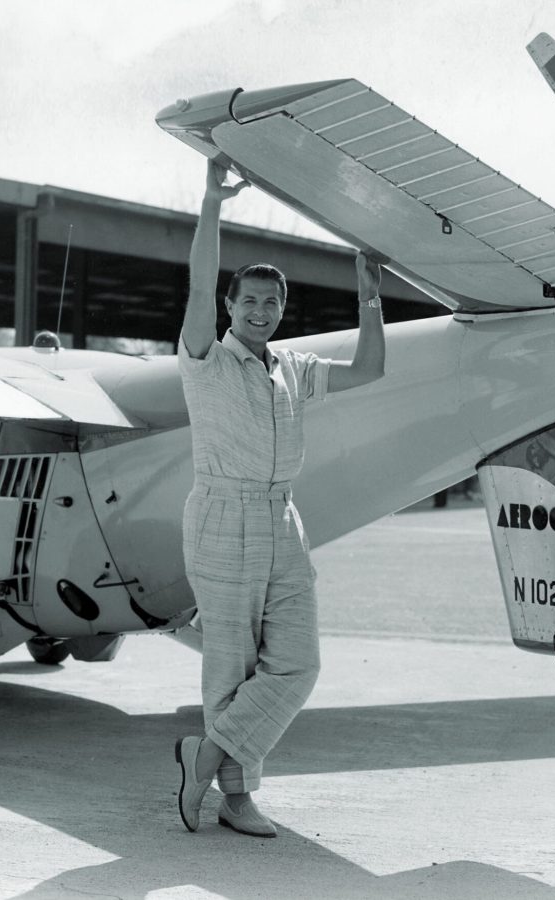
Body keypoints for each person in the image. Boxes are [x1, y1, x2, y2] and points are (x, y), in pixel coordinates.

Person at [174, 160, 386, 838]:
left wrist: (369, 298)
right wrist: (212, 203)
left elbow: (370, 369)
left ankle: (204, 756)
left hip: (281, 519)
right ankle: (236, 797)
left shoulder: (292, 367)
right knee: (230, 667)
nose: (260, 311)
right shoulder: (204, 356)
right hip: (221, 516)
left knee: (299, 661)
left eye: (272, 303)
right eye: (249, 301)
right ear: (230, 307)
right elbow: (199, 277)